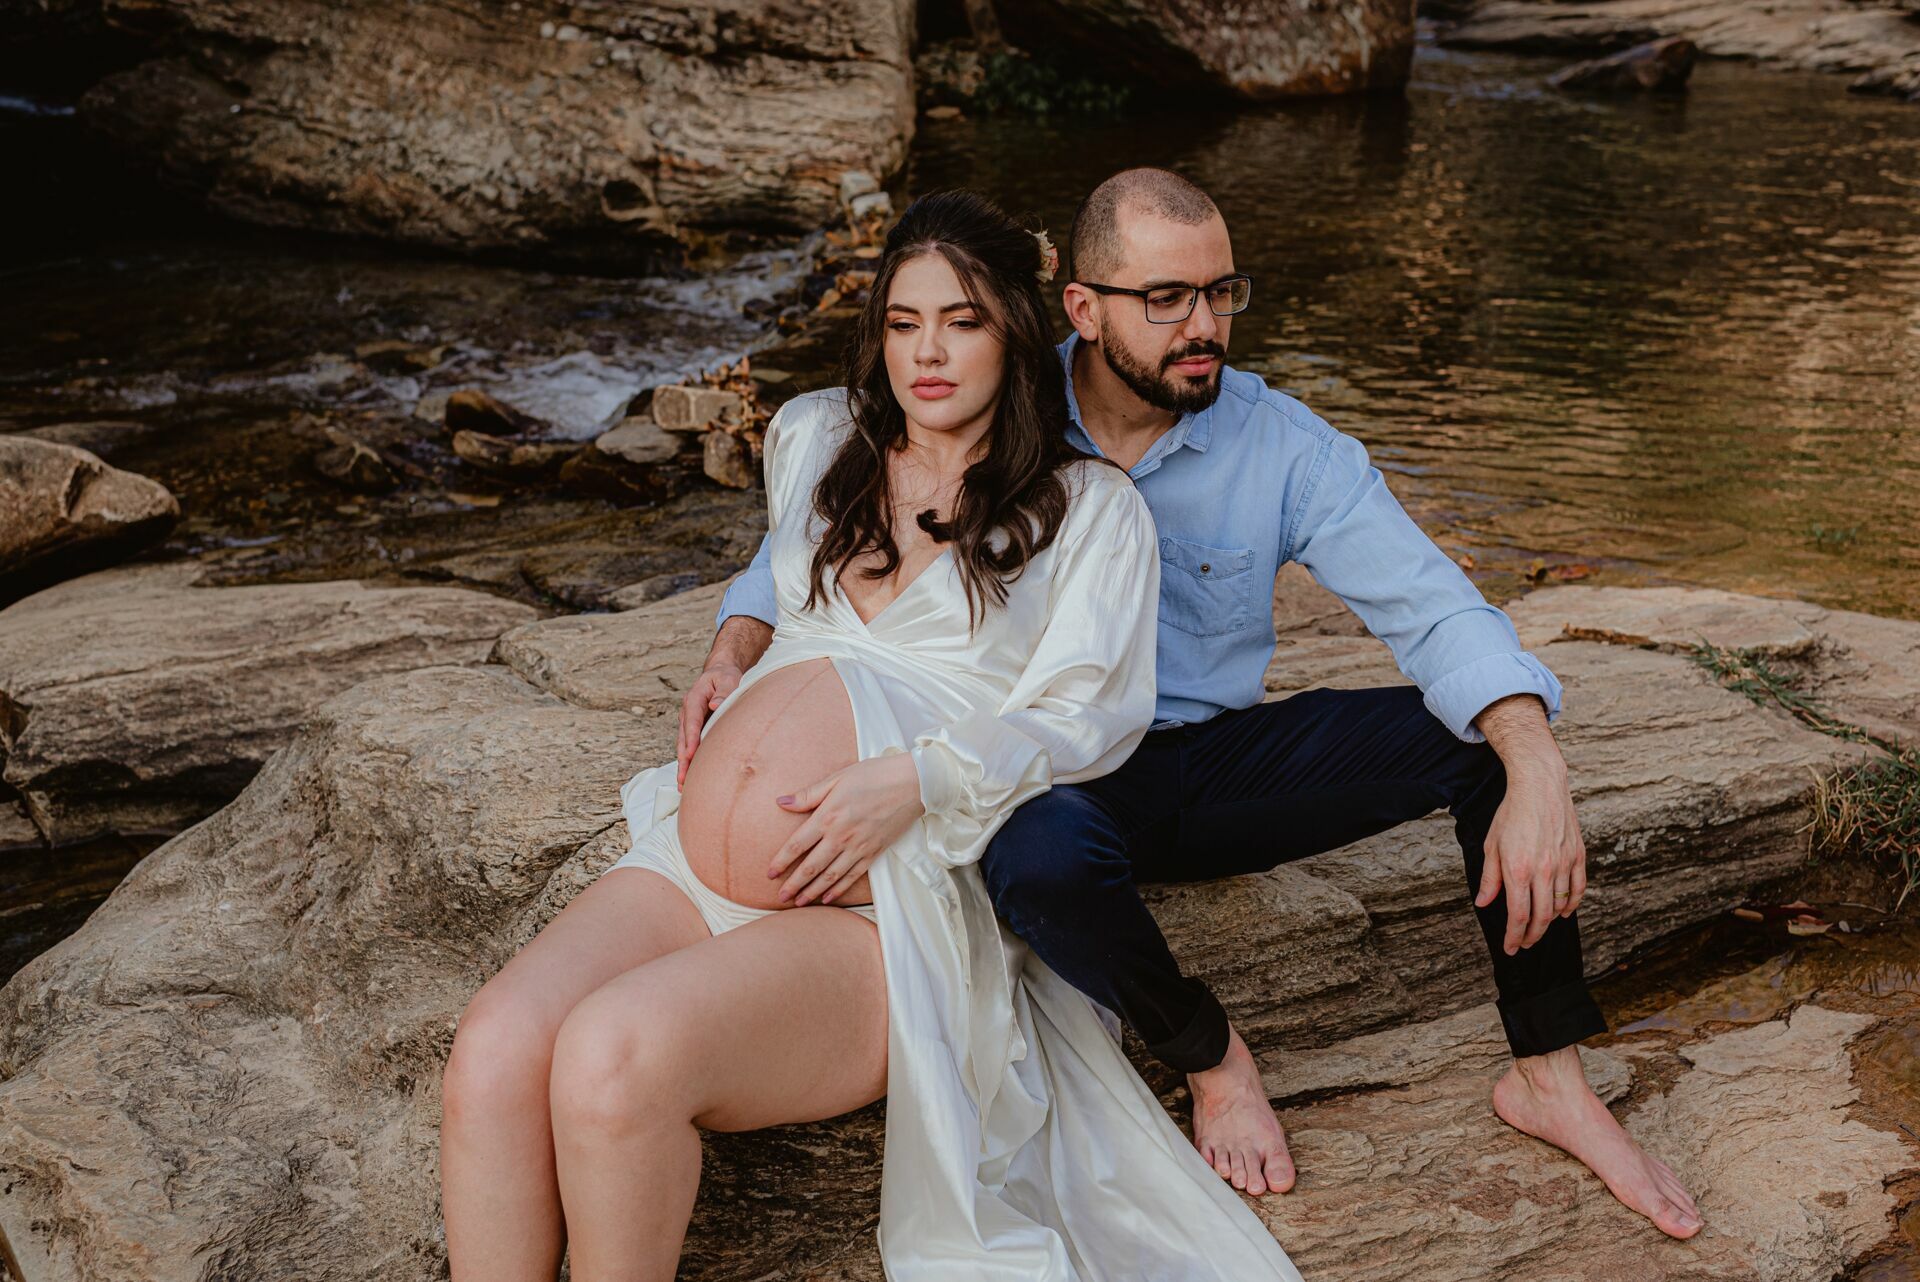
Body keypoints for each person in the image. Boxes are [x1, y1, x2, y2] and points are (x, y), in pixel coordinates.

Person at [697, 168, 1704, 1241]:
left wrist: (1539, 766)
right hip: (1033, 769)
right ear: (1082, 308)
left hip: (1202, 763)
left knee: (1491, 737)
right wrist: (739, 644)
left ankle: (1549, 1075)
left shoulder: (1282, 445)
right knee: (1037, 857)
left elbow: (1437, 609)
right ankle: (1210, 1055)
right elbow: (841, 503)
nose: (1205, 326)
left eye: (1222, 293)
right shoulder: (993, 391)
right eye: (1167, 298)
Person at [439, 188, 1303, 1282]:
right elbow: (781, 598)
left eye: (962, 322)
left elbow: (1091, 719)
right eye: (903, 323)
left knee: (610, 1062)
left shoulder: (1088, 511)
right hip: (688, 870)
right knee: (493, 1052)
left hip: (888, 909)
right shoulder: (816, 440)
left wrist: (917, 779)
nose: (926, 354)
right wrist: (731, 655)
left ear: (1018, 332)